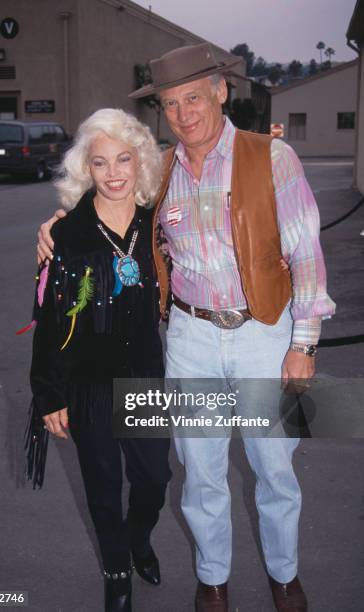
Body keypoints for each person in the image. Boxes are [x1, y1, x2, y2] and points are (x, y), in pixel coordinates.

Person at [37, 44, 336, 612]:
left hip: (264, 334)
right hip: (190, 340)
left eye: (194, 97)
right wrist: (55, 226)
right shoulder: (162, 171)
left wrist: (304, 343)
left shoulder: (273, 158)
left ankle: (285, 574)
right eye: (171, 104)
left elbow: (306, 254)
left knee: (274, 466)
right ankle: (214, 576)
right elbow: (104, 203)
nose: (184, 113)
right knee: (201, 472)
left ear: (222, 92)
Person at [29, 108, 171, 612]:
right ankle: (117, 574)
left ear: (141, 161)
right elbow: (48, 322)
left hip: (145, 376)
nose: (113, 173)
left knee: (154, 479)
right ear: (84, 169)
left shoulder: (159, 220)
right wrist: (48, 394)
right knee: (104, 489)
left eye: (124, 159)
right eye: (100, 162)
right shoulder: (68, 235)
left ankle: (138, 539)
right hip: (88, 382)